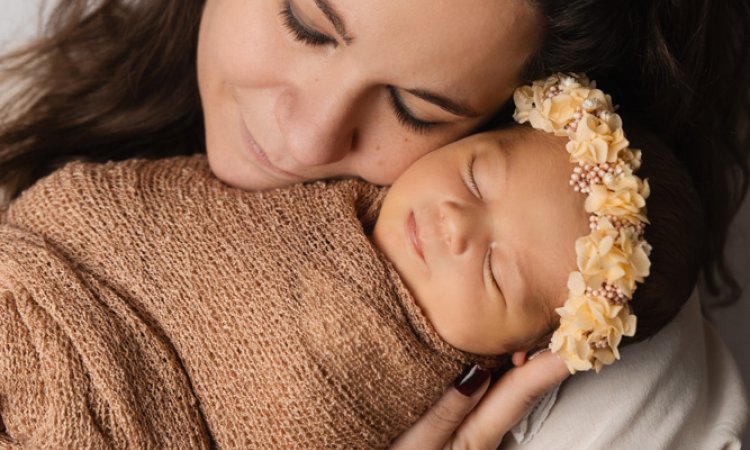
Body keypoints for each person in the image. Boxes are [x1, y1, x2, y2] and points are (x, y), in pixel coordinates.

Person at [0, 0, 748, 447]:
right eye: (305, 23)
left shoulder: (600, 320)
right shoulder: (51, 80)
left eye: (417, 109)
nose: (307, 137)